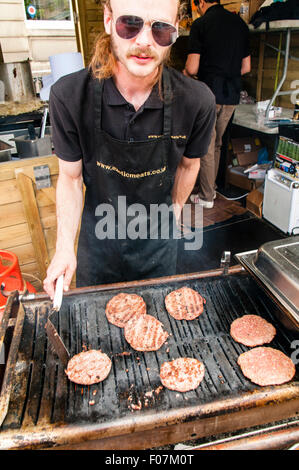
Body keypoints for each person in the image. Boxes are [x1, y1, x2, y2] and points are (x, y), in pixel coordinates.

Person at [43, 0, 216, 299]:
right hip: (98, 248)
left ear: (175, 32)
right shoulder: (69, 96)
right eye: (130, 24)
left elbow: (190, 166)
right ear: (109, 21)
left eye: (161, 29)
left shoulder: (197, 101)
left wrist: (172, 215)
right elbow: (70, 179)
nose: (145, 41)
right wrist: (62, 250)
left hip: (157, 249)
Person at [184, 0, 251, 208]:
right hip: (231, 95)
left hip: (208, 93)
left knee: (205, 146)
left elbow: (192, 68)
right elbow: (246, 67)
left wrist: (184, 75)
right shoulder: (240, 24)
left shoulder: (201, 24)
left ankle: (206, 197)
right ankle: (210, 190)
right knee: (217, 143)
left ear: (201, 2)